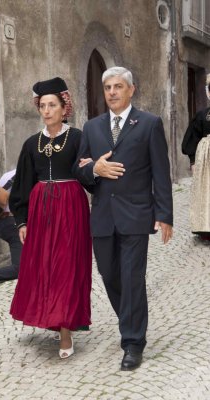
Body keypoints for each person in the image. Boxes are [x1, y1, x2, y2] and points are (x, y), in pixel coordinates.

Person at [75, 66, 173, 371]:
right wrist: (95, 170)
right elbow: (79, 172)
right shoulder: (91, 128)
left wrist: (164, 214)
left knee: (132, 278)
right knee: (110, 275)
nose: (112, 92)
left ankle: (132, 342)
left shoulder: (148, 124)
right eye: (107, 88)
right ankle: (131, 318)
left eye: (118, 87)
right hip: (103, 216)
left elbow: (161, 172)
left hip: (136, 216)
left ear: (131, 90)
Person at [9, 77, 92, 359]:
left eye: (52, 105)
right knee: (44, 266)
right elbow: (22, 184)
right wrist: (22, 220)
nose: (47, 110)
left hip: (71, 208)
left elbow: (88, 173)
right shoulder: (32, 143)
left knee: (67, 265)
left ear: (64, 107)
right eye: (42, 106)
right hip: (40, 209)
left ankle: (66, 329)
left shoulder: (79, 137)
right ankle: (50, 316)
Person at [181, 73, 210, 241]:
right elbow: (192, 139)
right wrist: (193, 161)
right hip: (206, 163)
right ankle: (206, 229)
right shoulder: (202, 115)